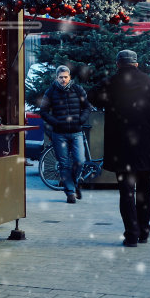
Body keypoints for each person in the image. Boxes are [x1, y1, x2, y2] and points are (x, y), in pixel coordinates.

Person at [93, 49, 150, 246]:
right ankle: (144, 231)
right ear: (136, 64)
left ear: (118, 64)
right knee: (145, 191)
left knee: (126, 192)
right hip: (145, 145)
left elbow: (93, 97)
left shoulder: (112, 82)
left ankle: (131, 235)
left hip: (121, 148)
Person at [39, 64, 93, 203]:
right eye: (61, 77)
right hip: (59, 134)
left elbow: (87, 107)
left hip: (76, 132)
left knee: (80, 161)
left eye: (66, 77)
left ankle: (74, 184)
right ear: (56, 78)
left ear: (70, 77)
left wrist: (80, 120)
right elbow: (43, 111)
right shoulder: (50, 92)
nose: (63, 80)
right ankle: (70, 192)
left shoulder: (77, 89)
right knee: (64, 164)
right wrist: (56, 122)